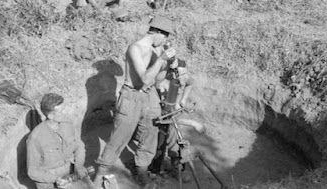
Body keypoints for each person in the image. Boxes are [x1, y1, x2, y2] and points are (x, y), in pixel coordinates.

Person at [93, 16, 177, 188]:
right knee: (118, 137)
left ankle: (142, 173)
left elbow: (157, 80)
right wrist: (161, 58)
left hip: (150, 95)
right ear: (158, 33)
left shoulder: (156, 50)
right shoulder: (135, 48)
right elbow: (145, 79)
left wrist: (167, 64)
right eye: (165, 36)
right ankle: (99, 174)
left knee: (150, 135)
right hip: (131, 96)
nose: (166, 41)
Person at [150, 58, 205, 182]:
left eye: (186, 73)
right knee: (161, 143)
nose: (185, 77)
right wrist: (192, 123)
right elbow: (167, 118)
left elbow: (190, 83)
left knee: (176, 141)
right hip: (163, 118)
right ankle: (154, 170)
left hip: (174, 115)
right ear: (172, 75)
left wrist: (183, 100)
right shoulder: (164, 86)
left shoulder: (185, 79)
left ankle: (177, 169)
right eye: (182, 74)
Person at [26, 93, 87, 189]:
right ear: (50, 116)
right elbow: (32, 172)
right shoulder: (35, 139)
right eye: (62, 111)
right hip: (48, 181)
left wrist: (79, 166)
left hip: (69, 172)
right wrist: (56, 179)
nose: (66, 112)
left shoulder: (68, 124)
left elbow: (79, 145)